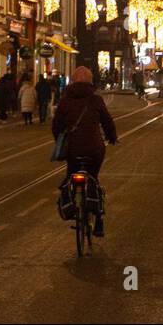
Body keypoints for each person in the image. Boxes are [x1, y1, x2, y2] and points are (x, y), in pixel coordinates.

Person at [52, 66, 118, 237]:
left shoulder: (65, 101)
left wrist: (60, 139)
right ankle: (98, 220)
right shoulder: (96, 100)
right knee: (93, 178)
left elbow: (56, 126)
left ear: (72, 82)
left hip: (73, 149)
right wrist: (112, 137)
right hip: (94, 149)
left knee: (71, 174)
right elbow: (108, 123)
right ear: (91, 82)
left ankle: (69, 200)